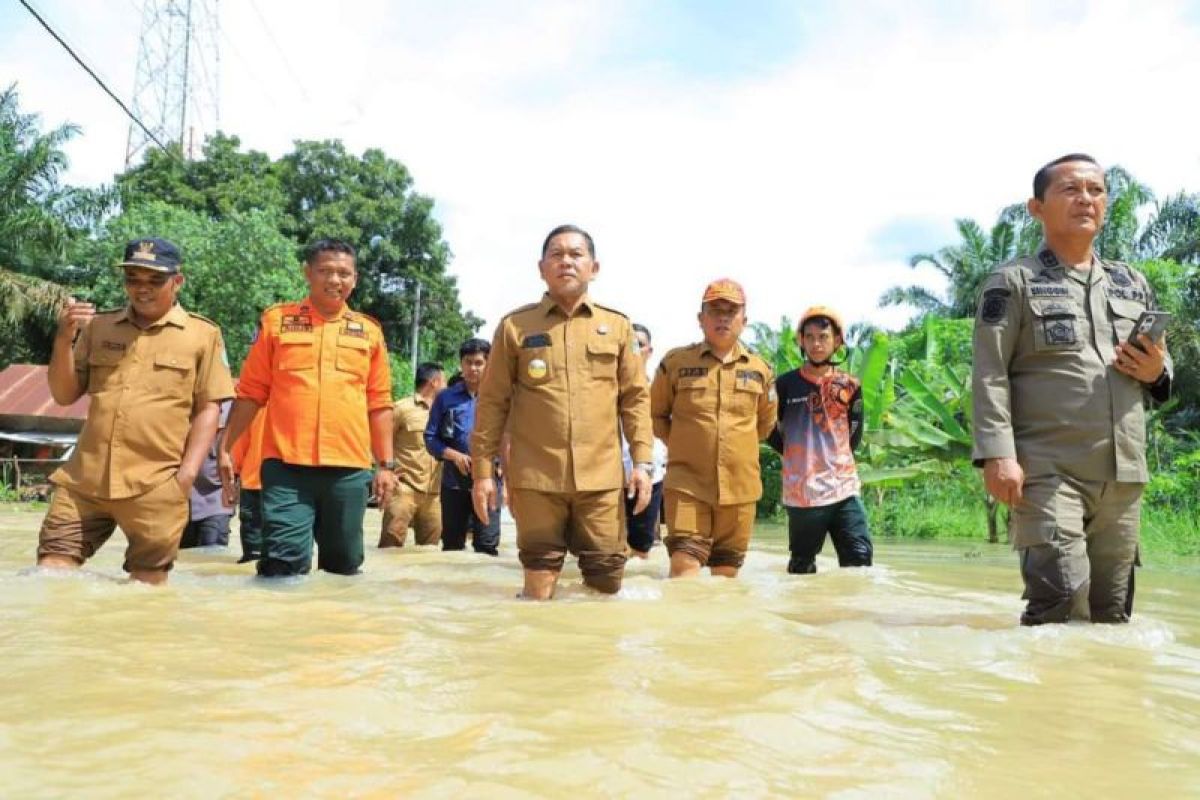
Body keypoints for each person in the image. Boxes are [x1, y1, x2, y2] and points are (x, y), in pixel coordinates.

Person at [972, 153, 1172, 625]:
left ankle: (1098, 701)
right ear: (1036, 207)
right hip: (1048, 473)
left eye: (1096, 190)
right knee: (1058, 604)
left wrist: (1157, 372)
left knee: (1112, 614)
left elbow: (1161, 372)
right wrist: (998, 455)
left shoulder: (1132, 283)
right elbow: (989, 372)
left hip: (1123, 479)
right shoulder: (1012, 282)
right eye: (1070, 189)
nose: (1086, 199)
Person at [36, 237, 234, 584]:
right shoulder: (99, 326)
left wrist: (186, 475)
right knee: (50, 574)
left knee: (146, 588)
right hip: (85, 481)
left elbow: (209, 409)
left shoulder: (203, 335)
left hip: (156, 483)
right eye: (133, 279)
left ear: (177, 281)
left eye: (154, 280)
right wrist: (63, 338)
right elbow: (63, 394)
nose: (142, 289)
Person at [470, 224, 654, 598]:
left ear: (594, 267)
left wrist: (643, 464)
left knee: (606, 580)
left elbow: (635, 399)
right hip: (536, 480)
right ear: (541, 268)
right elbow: (492, 403)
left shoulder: (618, 327)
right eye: (556, 254)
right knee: (539, 576)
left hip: (601, 481)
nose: (566, 262)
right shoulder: (514, 327)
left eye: (575, 254)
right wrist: (483, 474)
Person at [217, 238, 397, 577]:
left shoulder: (369, 333)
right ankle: (281, 627)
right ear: (307, 273)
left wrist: (386, 465)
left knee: (343, 566)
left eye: (344, 273)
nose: (335, 280)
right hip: (287, 468)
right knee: (282, 564)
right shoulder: (276, 322)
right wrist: (226, 447)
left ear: (355, 279)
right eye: (325, 271)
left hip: (349, 469)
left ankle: (335, 630)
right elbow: (251, 392)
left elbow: (379, 402)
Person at [651, 278, 777, 578]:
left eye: (731, 311)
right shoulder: (675, 363)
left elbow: (765, 423)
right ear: (700, 319)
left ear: (743, 321)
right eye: (715, 310)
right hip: (687, 487)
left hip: (740, 490)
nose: (723, 317)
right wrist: (687, 446)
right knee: (684, 570)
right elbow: (656, 416)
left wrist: (734, 448)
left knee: (726, 578)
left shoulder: (761, 371)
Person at [766, 306, 872, 574]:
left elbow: (854, 432)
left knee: (859, 561)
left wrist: (838, 460)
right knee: (802, 567)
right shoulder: (785, 385)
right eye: (810, 337)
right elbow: (767, 428)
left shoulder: (850, 385)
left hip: (844, 490)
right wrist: (790, 452)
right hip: (804, 494)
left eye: (823, 337)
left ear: (837, 341)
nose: (816, 343)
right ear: (800, 340)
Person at [425, 339, 503, 555]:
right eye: (468, 362)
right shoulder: (445, 398)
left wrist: (503, 464)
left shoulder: (501, 396)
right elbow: (430, 438)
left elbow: (512, 435)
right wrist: (454, 455)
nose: (473, 368)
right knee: (452, 546)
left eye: (479, 363)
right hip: (454, 483)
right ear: (461, 363)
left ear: (489, 364)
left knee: (487, 546)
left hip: (489, 481)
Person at [379, 361, 446, 549]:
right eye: (444, 381)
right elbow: (381, 440)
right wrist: (387, 471)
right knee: (390, 546)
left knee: (430, 551)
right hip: (404, 488)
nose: (446, 386)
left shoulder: (445, 411)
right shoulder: (402, 408)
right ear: (434, 382)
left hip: (434, 493)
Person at [622, 323, 668, 558]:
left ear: (649, 351)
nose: (634, 350)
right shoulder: (604, 388)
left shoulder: (660, 388)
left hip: (652, 475)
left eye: (639, 345)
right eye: (628, 345)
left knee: (642, 548)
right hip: (611, 477)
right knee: (605, 546)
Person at [180, 398, 235, 548]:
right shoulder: (175, 403)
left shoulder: (235, 408)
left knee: (212, 554)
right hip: (178, 502)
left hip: (215, 503)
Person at [228, 402, 268, 563]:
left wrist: (234, 473)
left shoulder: (253, 404)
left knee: (253, 556)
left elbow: (239, 443)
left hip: (253, 483)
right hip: (290, 487)